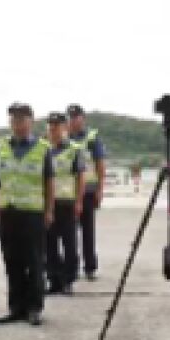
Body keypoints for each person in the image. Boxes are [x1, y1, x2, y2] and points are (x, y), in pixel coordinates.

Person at [0, 103, 55, 327]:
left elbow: (49, 183)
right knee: (12, 263)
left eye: (22, 120)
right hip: (7, 213)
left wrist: (49, 210)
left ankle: (34, 308)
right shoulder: (0, 146)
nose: (17, 124)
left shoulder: (42, 148)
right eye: (13, 120)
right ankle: (16, 307)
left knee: (35, 262)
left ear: (31, 121)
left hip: (32, 214)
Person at [45, 112, 87, 296]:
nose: (53, 129)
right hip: (48, 203)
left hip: (67, 202)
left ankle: (68, 280)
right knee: (49, 244)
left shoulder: (74, 149)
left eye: (57, 126)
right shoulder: (42, 149)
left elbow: (81, 177)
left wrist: (79, 201)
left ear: (65, 128)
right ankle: (54, 280)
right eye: (50, 126)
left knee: (69, 243)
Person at [67, 104, 105, 281]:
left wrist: (99, 190)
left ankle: (90, 267)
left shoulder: (92, 138)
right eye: (71, 117)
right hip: (68, 192)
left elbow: (100, 165)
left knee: (87, 232)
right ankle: (71, 268)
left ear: (83, 118)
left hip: (88, 191)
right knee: (69, 233)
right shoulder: (63, 138)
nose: (73, 120)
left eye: (76, 116)